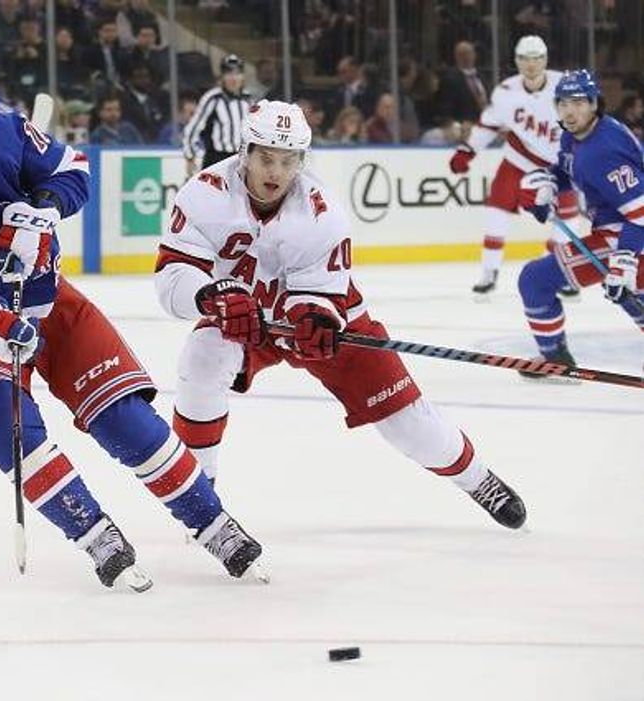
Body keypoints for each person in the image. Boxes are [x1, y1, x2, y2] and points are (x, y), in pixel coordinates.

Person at [0, 66, 265, 590]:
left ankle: (215, 525)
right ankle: (97, 536)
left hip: (49, 301)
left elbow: (73, 172)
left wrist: (43, 210)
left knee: (124, 419)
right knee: (11, 432)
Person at [154, 100, 527, 531]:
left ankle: (478, 479)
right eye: (266, 159)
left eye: (287, 161)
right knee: (202, 355)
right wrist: (210, 295)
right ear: (245, 153)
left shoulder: (321, 212)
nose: (275, 172)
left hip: (330, 323)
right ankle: (198, 499)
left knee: (411, 428)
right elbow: (171, 278)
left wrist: (317, 320)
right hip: (248, 318)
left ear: (301, 161)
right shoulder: (203, 194)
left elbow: (320, 295)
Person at [515, 69, 644, 376]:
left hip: (625, 235)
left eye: (577, 102)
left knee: (535, 280)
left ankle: (554, 358)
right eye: (562, 103)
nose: (569, 111)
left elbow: (640, 211)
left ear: (593, 104)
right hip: (618, 232)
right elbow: (567, 169)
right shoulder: (576, 136)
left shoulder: (604, 150)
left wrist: (623, 260)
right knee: (632, 298)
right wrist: (548, 188)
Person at [447, 36, 580, 298]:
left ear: (545, 60)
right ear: (517, 61)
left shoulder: (564, 87)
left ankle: (557, 270)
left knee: (569, 220)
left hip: (558, 166)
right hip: (518, 160)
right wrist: (467, 150)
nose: (531, 65)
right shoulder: (505, 93)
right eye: (525, 59)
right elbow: (488, 125)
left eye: (537, 58)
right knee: (496, 210)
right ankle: (489, 271)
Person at [182, 54, 251, 176]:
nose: (233, 78)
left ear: (243, 77)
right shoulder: (213, 98)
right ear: (222, 77)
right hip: (216, 159)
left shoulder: (248, 100)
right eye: (229, 74)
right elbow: (192, 129)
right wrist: (190, 156)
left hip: (241, 160)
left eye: (237, 73)